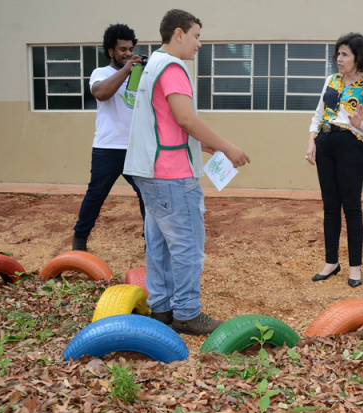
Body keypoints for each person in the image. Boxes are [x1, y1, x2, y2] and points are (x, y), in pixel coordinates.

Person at [123, 9, 250, 335]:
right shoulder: (173, 67)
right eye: (195, 36)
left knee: (159, 245)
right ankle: (188, 314)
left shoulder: (151, 65)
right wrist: (227, 147)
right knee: (187, 247)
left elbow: (165, 121)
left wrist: (202, 146)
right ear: (178, 33)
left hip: (149, 172)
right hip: (172, 175)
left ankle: (162, 309)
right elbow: (186, 119)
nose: (199, 44)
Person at [306, 33, 363, 288]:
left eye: (344, 55)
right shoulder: (331, 80)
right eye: (337, 54)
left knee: (351, 208)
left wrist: (361, 124)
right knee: (330, 206)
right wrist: (311, 141)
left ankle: (355, 267)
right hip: (325, 142)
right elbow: (318, 115)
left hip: (352, 146)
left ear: (359, 57)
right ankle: (331, 262)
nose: (338, 59)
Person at [72, 24, 146, 252]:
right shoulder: (100, 73)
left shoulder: (138, 74)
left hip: (135, 147)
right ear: (111, 51)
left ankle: (151, 241)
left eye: (130, 48)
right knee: (96, 194)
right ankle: (80, 238)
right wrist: (126, 69)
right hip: (108, 146)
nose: (127, 53)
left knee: (147, 194)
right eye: (122, 49)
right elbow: (102, 94)